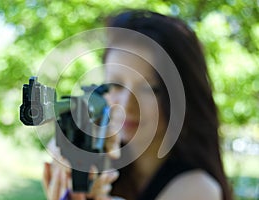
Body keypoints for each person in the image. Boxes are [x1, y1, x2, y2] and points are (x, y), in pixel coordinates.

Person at [43, 9, 233, 200]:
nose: (126, 105)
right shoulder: (103, 168)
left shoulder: (199, 189)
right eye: (116, 85)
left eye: (150, 89)